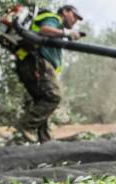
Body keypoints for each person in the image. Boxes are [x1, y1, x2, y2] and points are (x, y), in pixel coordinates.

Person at [15, 5, 83, 143]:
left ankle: (45, 140)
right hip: (38, 62)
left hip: (30, 64)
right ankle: (26, 125)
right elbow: (44, 30)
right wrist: (66, 34)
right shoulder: (53, 18)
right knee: (54, 96)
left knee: (42, 101)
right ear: (65, 12)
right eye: (74, 16)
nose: (76, 20)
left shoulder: (56, 26)